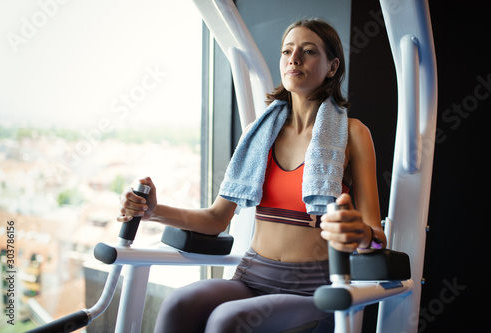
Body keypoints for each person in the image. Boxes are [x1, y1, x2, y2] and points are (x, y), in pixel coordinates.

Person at [117, 18, 386, 333]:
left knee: (226, 320)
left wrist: (363, 235)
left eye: (308, 51)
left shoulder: (352, 134)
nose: (293, 59)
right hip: (253, 277)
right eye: (287, 51)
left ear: (332, 66)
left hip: (314, 289)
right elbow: (217, 219)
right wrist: (154, 212)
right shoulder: (259, 136)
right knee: (179, 303)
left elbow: (378, 241)